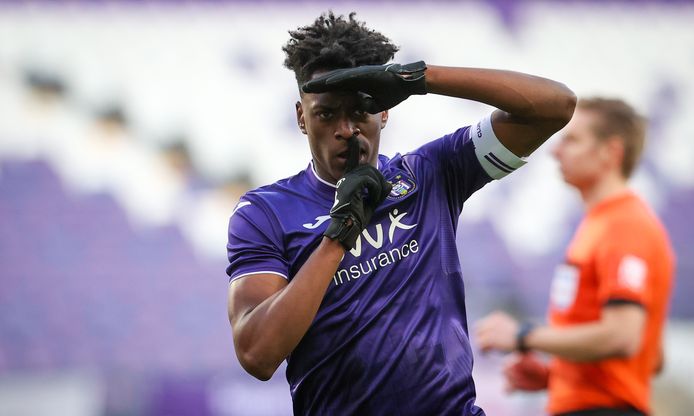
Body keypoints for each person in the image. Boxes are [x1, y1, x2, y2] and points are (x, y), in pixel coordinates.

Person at [226, 11, 575, 415]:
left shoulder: (429, 174)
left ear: (385, 112)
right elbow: (257, 354)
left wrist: (419, 79)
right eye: (326, 114)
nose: (345, 130)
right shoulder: (264, 212)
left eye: (360, 110)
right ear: (302, 117)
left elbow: (556, 106)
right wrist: (339, 234)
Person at [475, 98, 675, 416]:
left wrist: (523, 336)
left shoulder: (624, 225)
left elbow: (623, 336)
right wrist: (555, 377)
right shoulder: (602, 224)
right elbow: (652, 355)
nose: (555, 151)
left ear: (611, 152)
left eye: (572, 139)